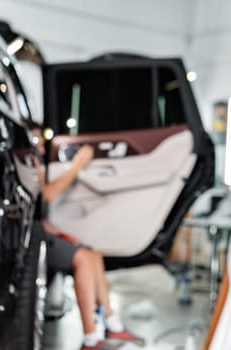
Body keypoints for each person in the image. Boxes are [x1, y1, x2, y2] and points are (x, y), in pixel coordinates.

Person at [30, 126, 143, 350]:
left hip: (42, 229)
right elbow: (47, 196)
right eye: (37, 140)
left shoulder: (38, 163)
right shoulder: (29, 163)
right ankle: (91, 338)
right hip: (32, 237)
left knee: (93, 254)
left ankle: (112, 322)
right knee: (83, 258)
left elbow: (38, 210)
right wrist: (78, 166)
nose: (42, 146)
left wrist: (59, 232)